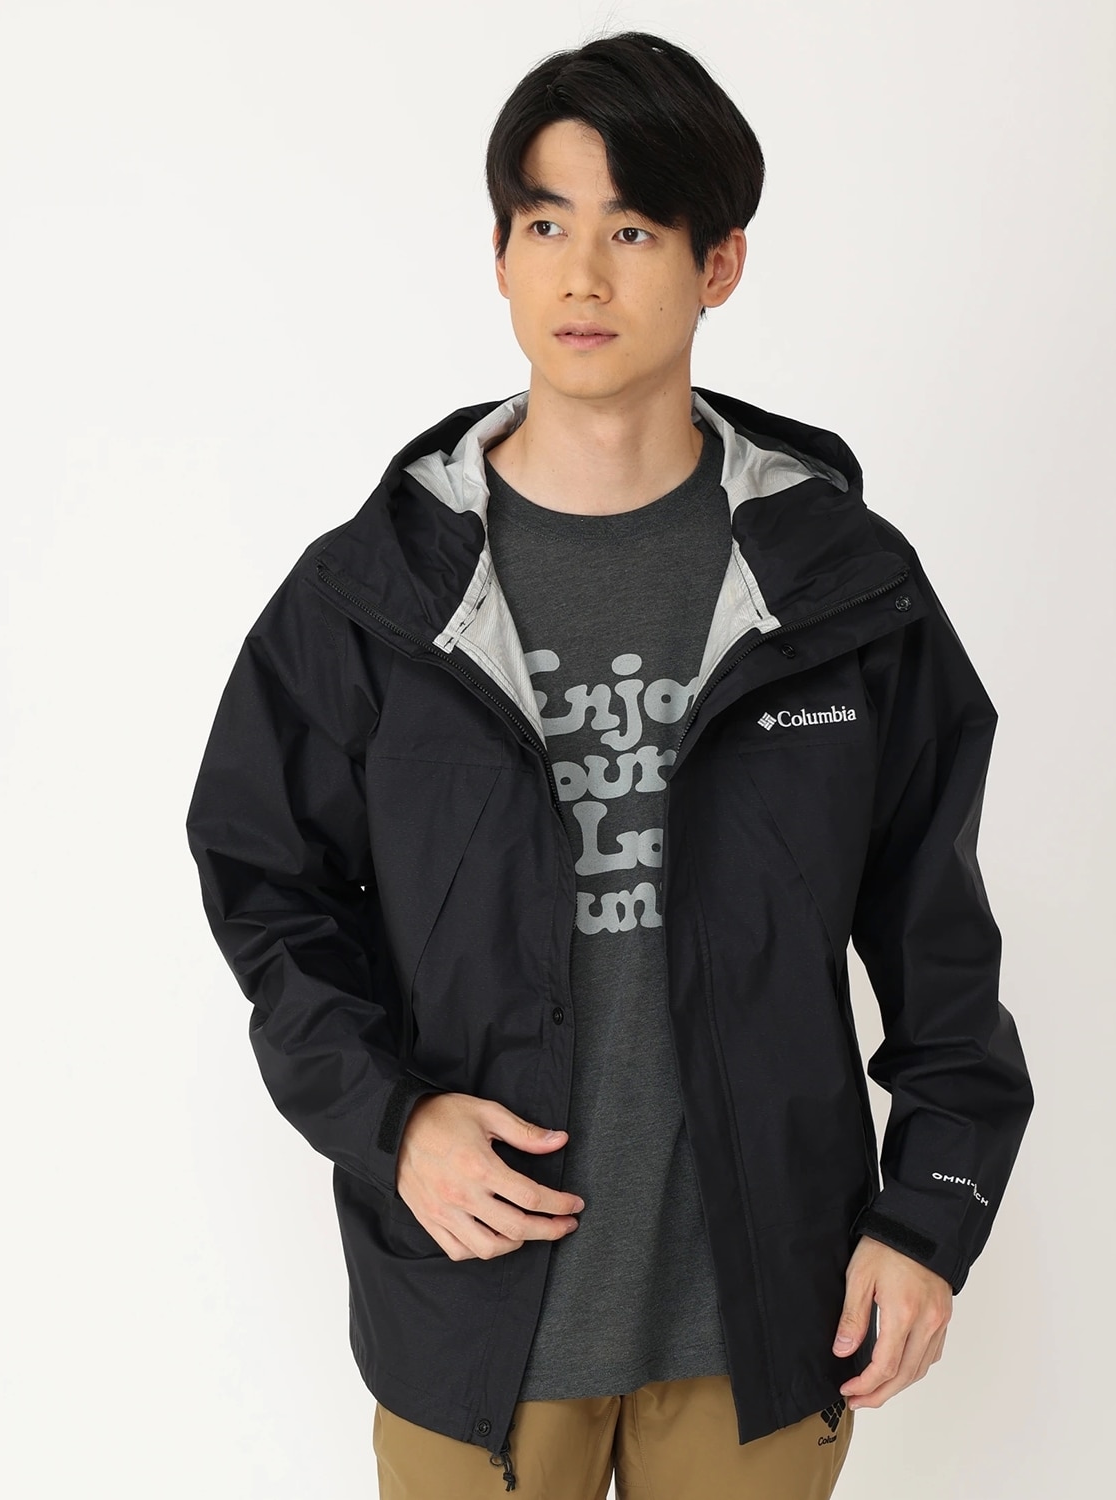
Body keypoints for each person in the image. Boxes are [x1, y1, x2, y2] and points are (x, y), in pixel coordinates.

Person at [185, 29, 1034, 1500]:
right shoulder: (372, 594)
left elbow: (934, 929)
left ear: (719, 265)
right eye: (544, 225)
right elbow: (265, 886)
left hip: (766, 1313)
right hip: (475, 1314)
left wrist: (929, 1216)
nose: (581, 276)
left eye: (632, 230)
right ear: (499, 255)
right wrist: (392, 1121)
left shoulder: (840, 588)